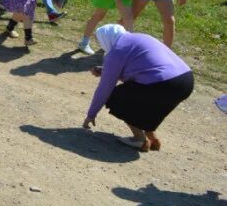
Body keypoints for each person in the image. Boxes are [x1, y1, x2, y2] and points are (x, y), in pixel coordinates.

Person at [82, 24, 194, 152]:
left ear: (106, 39)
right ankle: (152, 137)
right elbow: (143, 69)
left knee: (117, 96)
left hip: (163, 83)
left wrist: (91, 114)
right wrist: (105, 71)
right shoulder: (140, 37)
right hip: (186, 80)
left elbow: (104, 89)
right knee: (149, 102)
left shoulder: (117, 51)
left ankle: (139, 139)